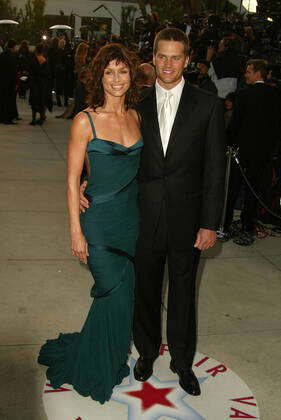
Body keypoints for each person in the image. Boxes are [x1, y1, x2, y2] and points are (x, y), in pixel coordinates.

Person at [80, 28, 225, 397]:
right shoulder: (136, 104)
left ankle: (181, 361)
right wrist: (87, 181)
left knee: (183, 293)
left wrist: (210, 223)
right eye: (162, 56)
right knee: (145, 290)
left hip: (188, 219)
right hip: (140, 216)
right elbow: (112, 147)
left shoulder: (208, 105)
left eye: (176, 57)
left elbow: (214, 169)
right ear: (153, 57)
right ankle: (146, 353)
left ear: (188, 60)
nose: (168, 64)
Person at [38, 43, 142, 404]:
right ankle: (93, 364)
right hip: (97, 222)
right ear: (99, 76)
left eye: (123, 71)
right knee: (111, 292)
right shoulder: (86, 120)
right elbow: (70, 180)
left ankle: (109, 355)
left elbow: (135, 169)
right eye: (109, 72)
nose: (116, 79)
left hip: (131, 220)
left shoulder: (135, 116)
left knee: (123, 298)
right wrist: (75, 231)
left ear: (132, 75)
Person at [224, 59, 281, 245]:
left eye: (248, 71)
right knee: (253, 191)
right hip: (263, 154)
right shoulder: (275, 95)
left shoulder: (244, 94)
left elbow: (235, 124)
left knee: (232, 190)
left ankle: (224, 227)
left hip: (242, 152)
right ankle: (248, 228)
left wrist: (229, 143)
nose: (245, 75)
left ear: (258, 73)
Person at [28, 43, 52, 125]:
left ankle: (33, 119)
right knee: (41, 101)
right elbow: (47, 73)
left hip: (34, 82)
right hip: (42, 83)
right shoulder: (44, 60)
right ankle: (41, 118)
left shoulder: (33, 59)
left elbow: (30, 70)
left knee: (34, 101)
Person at [0, 39, 18, 124]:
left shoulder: (2, 55)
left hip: (2, 81)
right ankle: (8, 118)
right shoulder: (12, 56)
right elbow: (13, 71)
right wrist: (16, 83)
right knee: (10, 100)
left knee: (3, 100)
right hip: (10, 82)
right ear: (13, 47)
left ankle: (2, 117)